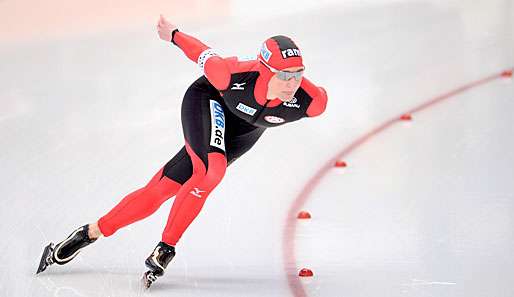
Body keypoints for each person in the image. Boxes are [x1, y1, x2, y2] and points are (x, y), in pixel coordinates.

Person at [36, 15, 328, 287]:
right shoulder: (229, 75)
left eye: (298, 74)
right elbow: (202, 52)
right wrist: (173, 34)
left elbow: (316, 96)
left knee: (158, 192)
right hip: (207, 101)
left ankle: (88, 233)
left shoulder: (310, 101)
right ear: (264, 70)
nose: (293, 83)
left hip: (243, 133)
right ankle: (167, 247)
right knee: (212, 170)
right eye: (284, 76)